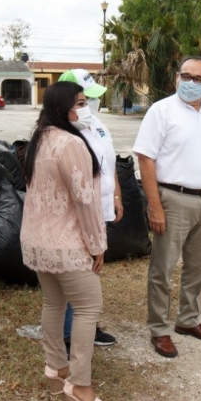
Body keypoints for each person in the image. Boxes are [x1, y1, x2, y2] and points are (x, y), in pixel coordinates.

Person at [133, 56, 201, 358]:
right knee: (163, 268)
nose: (190, 83)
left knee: (200, 265)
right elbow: (145, 159)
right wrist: (155, 207)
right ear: (176, 78)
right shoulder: (161, 111)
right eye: (185, 76)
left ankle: (188, 320)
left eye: (198, 78)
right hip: (173, 199)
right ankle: (160, 329)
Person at [20, 81, 110, 401]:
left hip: (38, 241)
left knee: (53, 303)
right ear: (62, 107)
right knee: (88, 308)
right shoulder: (70, 142)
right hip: (67, 244)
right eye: (80, 103)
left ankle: (55, 368)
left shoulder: (39, 139)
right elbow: (85, 200)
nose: (85, 109)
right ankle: (80, 386)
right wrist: (97, 245)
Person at [58, 69, 121, 351]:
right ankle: (70, 334)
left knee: (92, 270)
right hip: (78, 214)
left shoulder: (95, 124)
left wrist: (117, 195)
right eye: (83, 101)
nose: (90, 106)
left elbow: (110, 162)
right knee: (78, 273)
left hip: (100, 208)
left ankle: (87, 325)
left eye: (90, 100)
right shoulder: (61, 133)